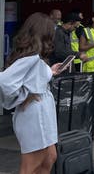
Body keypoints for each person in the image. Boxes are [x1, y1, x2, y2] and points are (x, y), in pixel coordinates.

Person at [0, 12, 65, 173]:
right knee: (32, 164)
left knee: (50, 156)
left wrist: (50, 71)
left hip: (41, 112)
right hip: (36, 115)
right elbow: (5, 81)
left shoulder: (33, 57)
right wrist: (25, 95)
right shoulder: (31, 57)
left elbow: (31, 78)